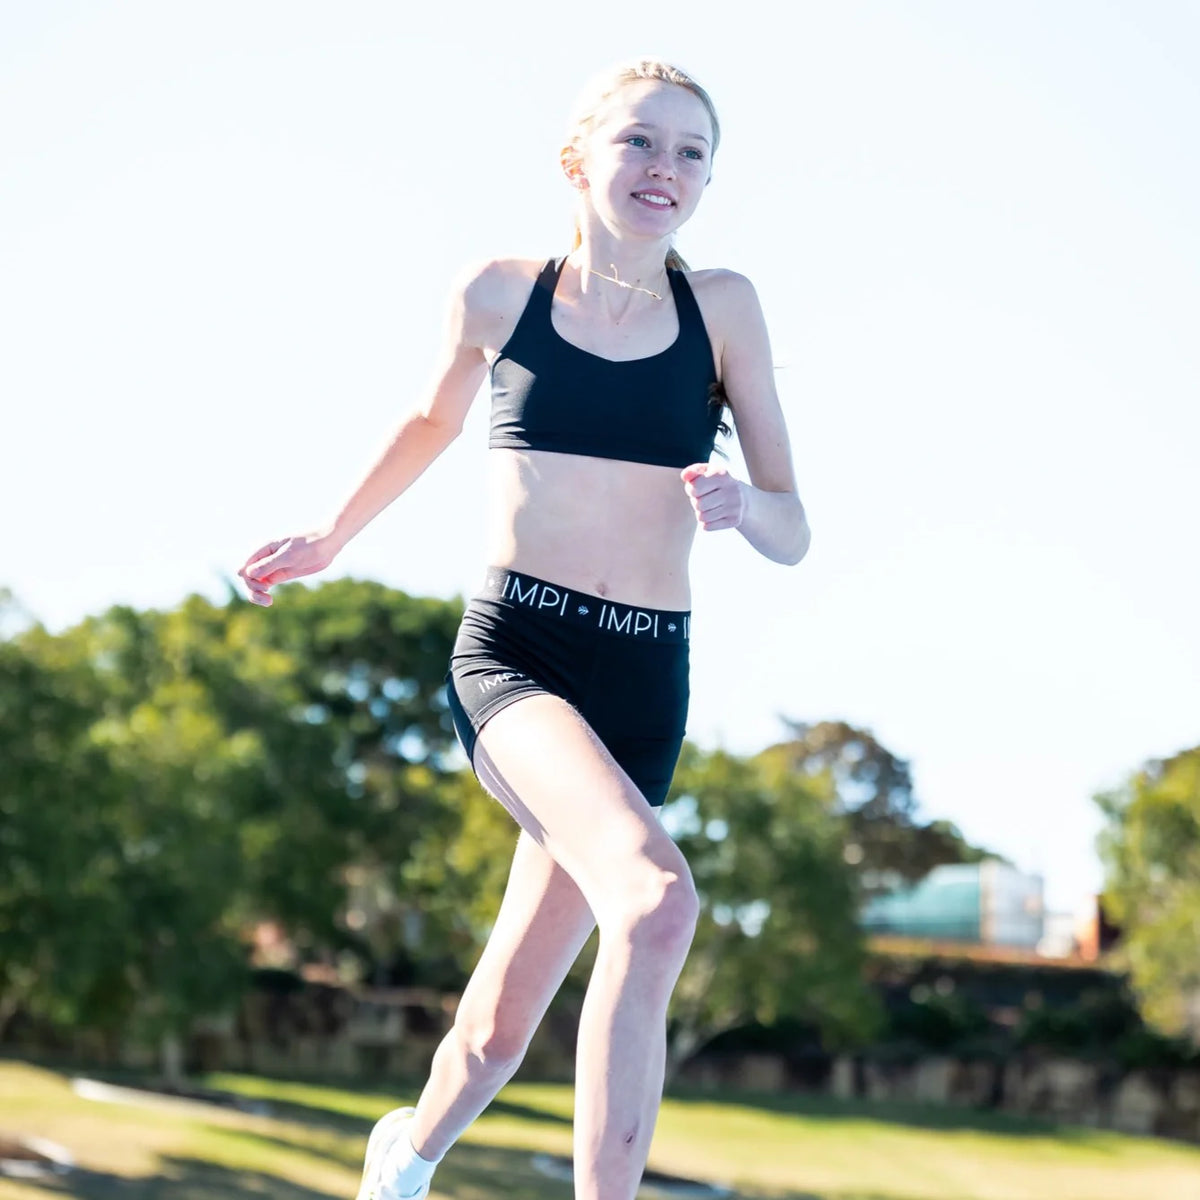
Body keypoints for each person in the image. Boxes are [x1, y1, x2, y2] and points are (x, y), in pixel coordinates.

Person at [239, 57, 809, 1200]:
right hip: (517, 654)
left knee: (503, 1025)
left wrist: (746, 508)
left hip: (646, 679)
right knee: (655, 902)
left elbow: (794, 526)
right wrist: (332, 535)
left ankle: (406, 1155)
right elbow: (425, 419)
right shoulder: (500, 293)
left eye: (691, 154)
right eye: (641, 143)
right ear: (578, 157)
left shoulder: (725, 310)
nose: (666, 171)